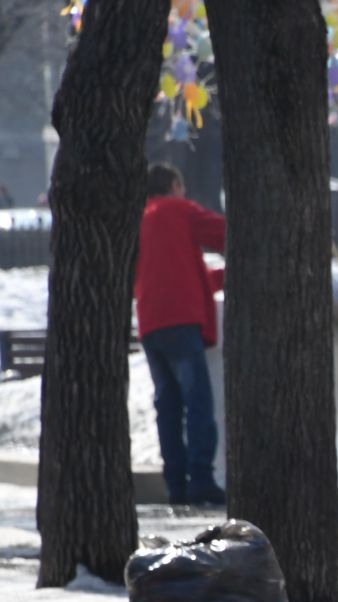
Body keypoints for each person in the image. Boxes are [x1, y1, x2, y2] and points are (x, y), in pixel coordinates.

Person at [133, 163, 226, 506]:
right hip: (181, 320)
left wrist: (221, 276)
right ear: (174, 185)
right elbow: (224, 233)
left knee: (168, 407)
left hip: (150, 323)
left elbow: (183, 273)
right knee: (198, 401)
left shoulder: (140, 219)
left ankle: (176, 483)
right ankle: (201, 478)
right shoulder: (178, 210)